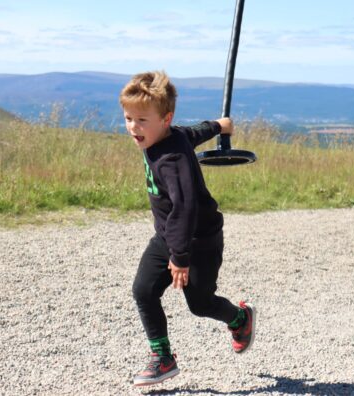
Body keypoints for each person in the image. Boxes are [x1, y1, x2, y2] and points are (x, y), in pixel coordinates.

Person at [121, 71, 256, 387]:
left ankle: (240, 319)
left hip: (200, 240)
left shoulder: (172, 158)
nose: (133, 127)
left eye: (141, 120)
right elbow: (191, 132)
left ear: (164, 119)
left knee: (200, 304)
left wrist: (180, 257)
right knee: (143, 290)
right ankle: (162, 358)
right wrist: (217, 126)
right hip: (169, 236)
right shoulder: (170, 135)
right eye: (128, 118)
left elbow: (186, 207)